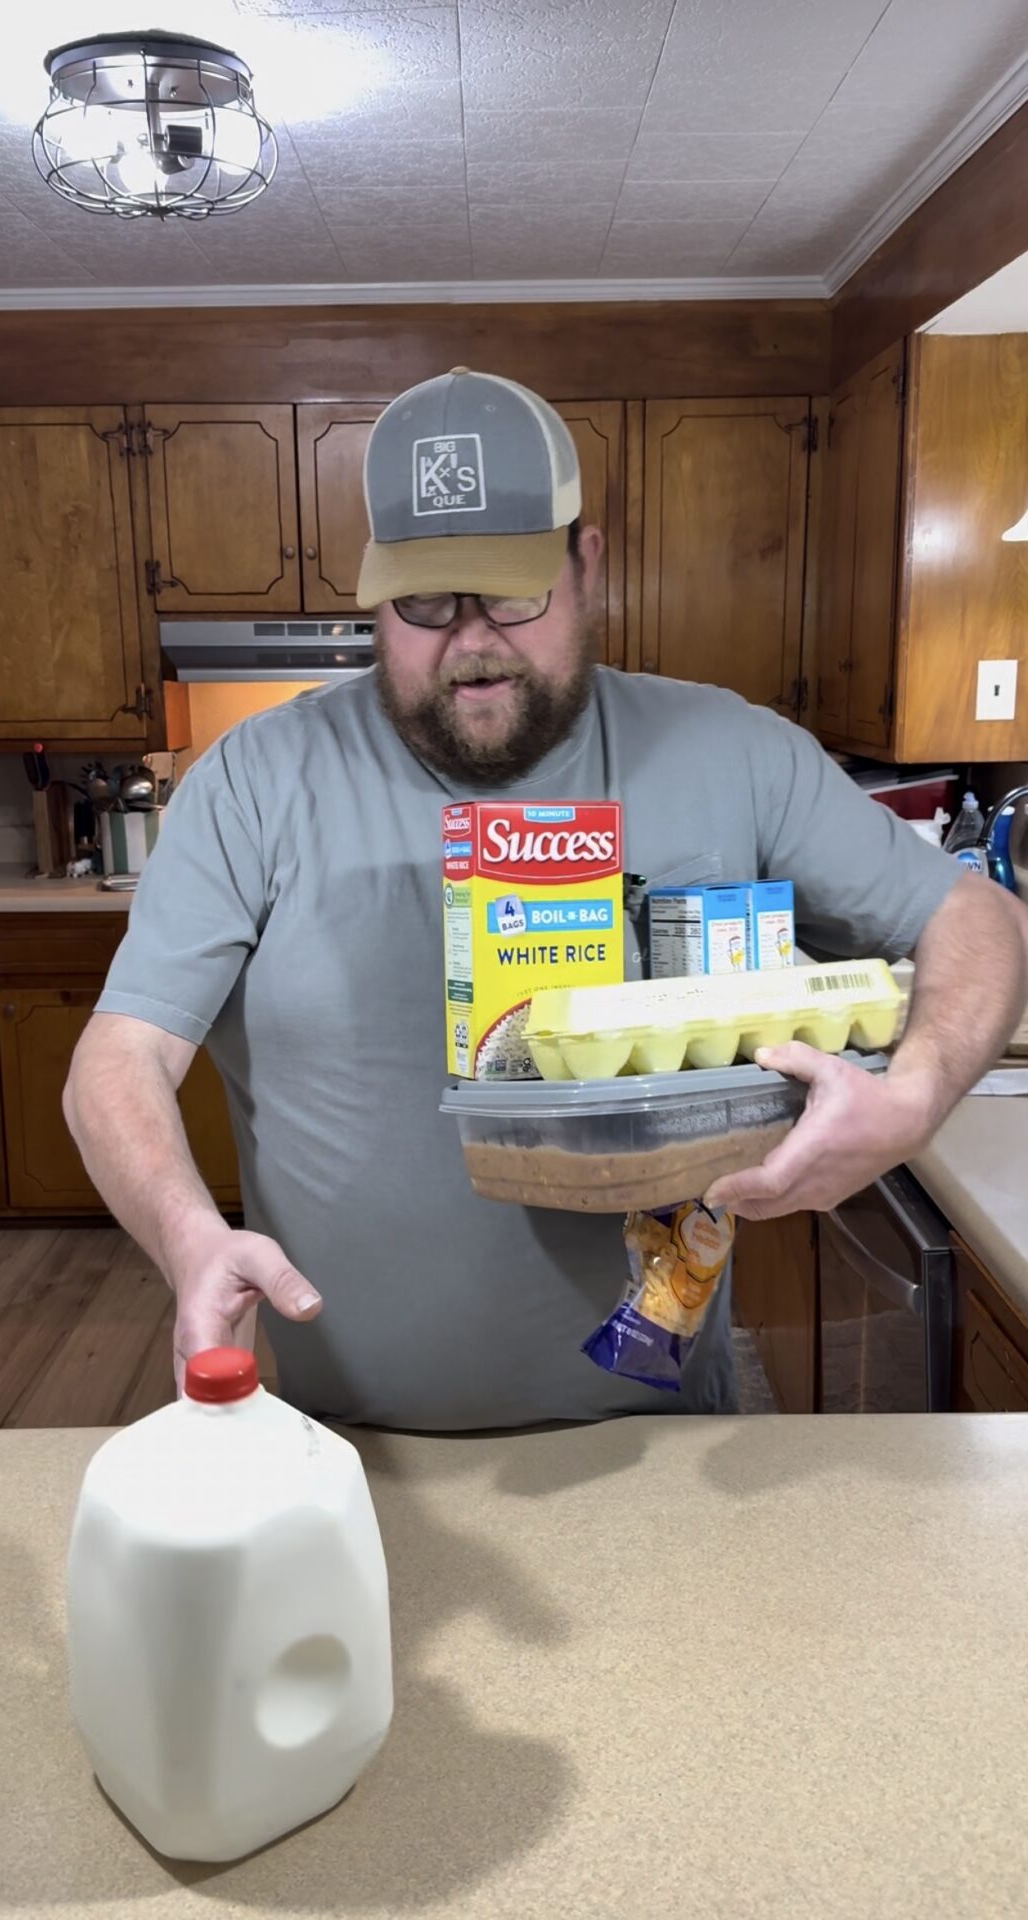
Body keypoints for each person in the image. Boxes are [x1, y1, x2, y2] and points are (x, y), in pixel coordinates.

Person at [64, 369, 1028, 1427]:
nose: (472, 640)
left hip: (663, 1444)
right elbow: (119, 1060)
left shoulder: (736, 752)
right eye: (425, 602)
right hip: (355, 1454)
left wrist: (917, 1095)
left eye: (514, 590)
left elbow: (976, 918)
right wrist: (188, 1238)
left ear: (589, 564)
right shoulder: (250, 782)